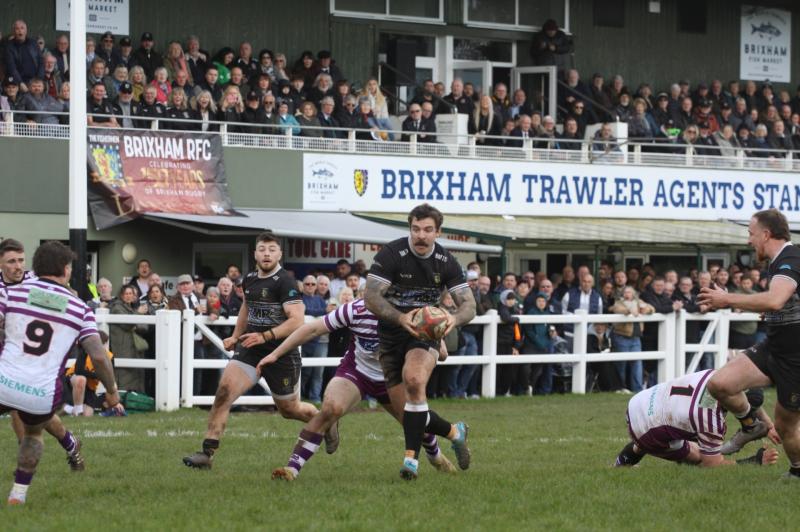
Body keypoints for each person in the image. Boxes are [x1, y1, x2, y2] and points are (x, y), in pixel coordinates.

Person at [264, 298, 460, 480]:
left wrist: (435, 335)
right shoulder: (356, 309)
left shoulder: (413, 313)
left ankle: (436, 457)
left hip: (392, 377)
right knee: (330, 408)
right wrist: (275, 353)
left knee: (414, 421)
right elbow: (313, 329)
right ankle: (291, 469)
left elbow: (442, 355)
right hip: (358, 372)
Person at [183, 233, 321, 469]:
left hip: (281, 353)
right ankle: (207, 454)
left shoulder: (285, 281)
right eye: (262, 249)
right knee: (224, 392)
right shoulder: (249, 280)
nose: (266, 253)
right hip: (250, 348)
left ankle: (324, 421)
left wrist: (265, 336)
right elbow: (246, 308)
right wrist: (236, 336)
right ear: (255, 254)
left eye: (271, 249)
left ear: (280, 254)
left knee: (289, 410)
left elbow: (297, 320)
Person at [0, 241, 123, 505]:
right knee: (34, 434)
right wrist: (112, 392)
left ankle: (69, 445)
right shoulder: (80, 308)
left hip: (4, 379)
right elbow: (99, 356)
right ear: (66, 270)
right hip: (41, 390)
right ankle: (18, 494)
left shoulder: (13, 293)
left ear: (34, 266)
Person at [364, 203, 475, 479]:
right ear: (409, 229)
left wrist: (453, 320)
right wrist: (400, 318)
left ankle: (410, 462)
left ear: (438, 232)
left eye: (427, 230)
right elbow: (371, 297)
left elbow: (469, 305)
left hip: (424, 335)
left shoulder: (446, 261)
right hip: (391, 335)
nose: (420, 236)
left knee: (414, 380)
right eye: (415, 229)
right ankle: (454, 432)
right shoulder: (392, 254)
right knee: (409, 414)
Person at [698, 209, 800, 479]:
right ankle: (751, 425)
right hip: (773, 347)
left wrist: (727, 299)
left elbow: (775, 299)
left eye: (751, 234)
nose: (748, 241)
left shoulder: (790, 258)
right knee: (720, 383)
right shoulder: (779, 261)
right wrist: (774, 311)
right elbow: (780, 302)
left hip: (795, 358)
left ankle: (797, 472)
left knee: (786, 427)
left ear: (766, 235)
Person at [615, 368, 779, 468]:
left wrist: (769, 426)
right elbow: (712, 465)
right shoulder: (710, 419)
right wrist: (754, 461)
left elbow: (744, 401)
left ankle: (622, 463)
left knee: (666, 428)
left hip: (638, 402)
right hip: (645, 429)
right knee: (700, 457)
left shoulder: (717, 376)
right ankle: (648, 445)